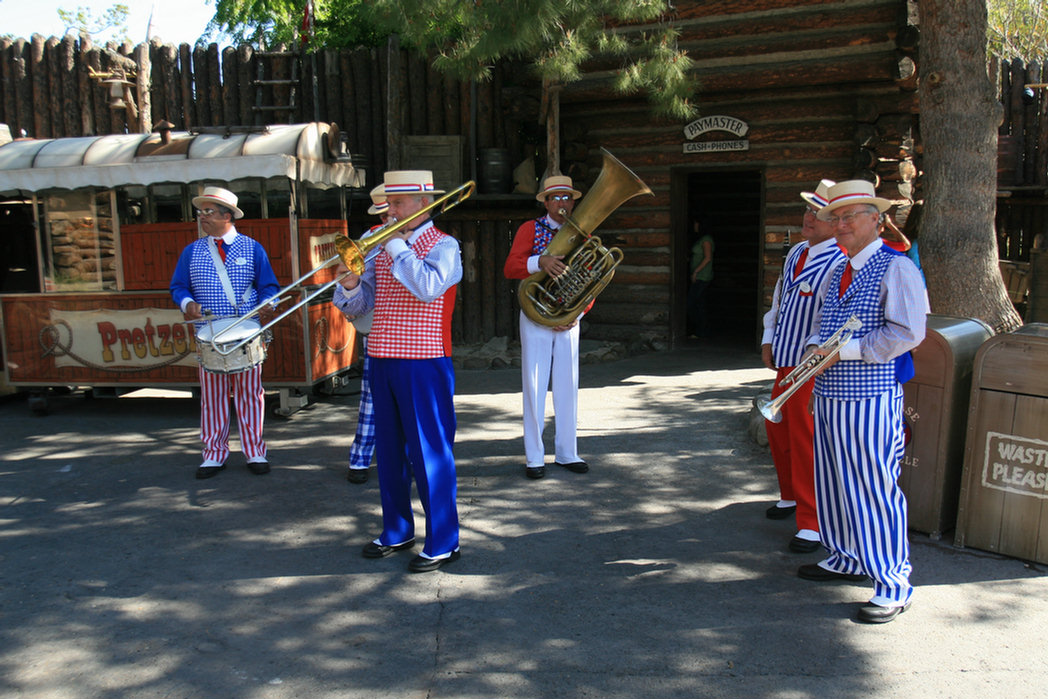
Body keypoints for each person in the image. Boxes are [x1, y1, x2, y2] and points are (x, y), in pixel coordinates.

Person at [797, 179, 929, 624]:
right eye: (835, 217)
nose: (840, 225)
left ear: (876, 220)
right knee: (832, 481)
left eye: (850, 216)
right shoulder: (838, 269)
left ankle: (894, 583)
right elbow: (824, 323)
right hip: (830, 394)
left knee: (873, 489)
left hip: (871, 397)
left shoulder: (897, 267)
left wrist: (843, 351)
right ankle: (846, 555)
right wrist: (815, 347)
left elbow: (909, 333)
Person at [332, 170, 463, 573]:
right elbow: (359, 309)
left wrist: (395, 246)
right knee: (389, 454)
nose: (391, 210)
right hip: (382, 357)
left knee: (429, 452)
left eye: (400, 203)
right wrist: (352, 284)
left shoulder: (444, 246)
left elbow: (427, 287)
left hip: (424, 360)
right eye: (389, 202)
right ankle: (397, 529)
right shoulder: (381, 247)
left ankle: (443, 540)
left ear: (425, 204)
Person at [170, 186, 281, 480]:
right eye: (200, 211)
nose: (202, 217)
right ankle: (213, 454)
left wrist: (269, 305)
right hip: (208, 333)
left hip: (245, 333)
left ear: (227, 215)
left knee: (250, 394)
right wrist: (187, 303)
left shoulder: (252, 247)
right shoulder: (191, 251)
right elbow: (178, 286)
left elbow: (269, 286)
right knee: (213, 396)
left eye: (208, 211)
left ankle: (255, 451)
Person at [760, 179, 845, 553]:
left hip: (811, 367)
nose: (809, 218)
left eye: (819, 214)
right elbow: (779, 299)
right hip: (784, 359)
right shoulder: (796, 252)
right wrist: (767, 337)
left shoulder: (840, 259)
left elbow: (830, 316)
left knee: (807, 439)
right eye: (809, 210)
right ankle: (791, 495)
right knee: (777, 428)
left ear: (836, 221)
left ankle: (812, 522)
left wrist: (813, 355)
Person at [503, 175, 590, 480]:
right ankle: (534, 457)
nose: (562, 203)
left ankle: (567, 453)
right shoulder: (530, 229)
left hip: (569, 317)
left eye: (567, 197)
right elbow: (511, 267)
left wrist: (578, 312)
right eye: (556, 198)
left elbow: (592, 276)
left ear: (574, 201)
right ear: (544, 201)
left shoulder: (582, 232)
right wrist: (541, 261)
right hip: (537, 314)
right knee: (535, 386)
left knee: (569, 386)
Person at [333, 185, 389, 485]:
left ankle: (404, 458)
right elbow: (356, 307)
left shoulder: (428, 242)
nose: (389, 219)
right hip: (378, 331)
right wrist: (351, 284)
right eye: (383, 214)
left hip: (413, 333)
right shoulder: (368, 243)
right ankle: (361, 458)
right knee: (370, 397)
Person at [686, 223, 714, 338]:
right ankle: (700, 331)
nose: (695, 225)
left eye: (697, 223)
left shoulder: (706, 240)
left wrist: (696, 272)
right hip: (699, 276)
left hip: (702, 276)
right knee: (700, 303)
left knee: (691, 303)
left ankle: (700, 330)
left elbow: (707, 258)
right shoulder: (701, 239)